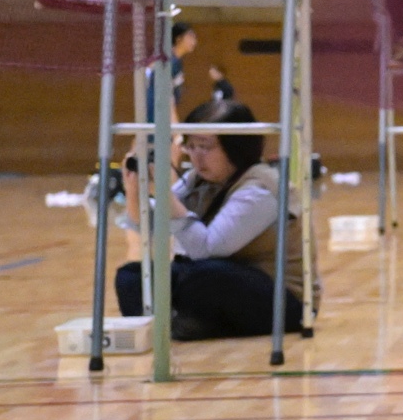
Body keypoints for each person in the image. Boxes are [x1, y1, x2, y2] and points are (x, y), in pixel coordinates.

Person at [112, 96, 302, 339]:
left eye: (205, 147)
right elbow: (149, 226)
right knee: (132, 276)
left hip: (280, 297)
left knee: (204, 275)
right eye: (190, 146)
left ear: (236, 147)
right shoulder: (199, 179)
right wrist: (133, 191)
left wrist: (164, 193)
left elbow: (206, 249)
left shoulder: (260, 189)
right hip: (221, 278)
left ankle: (188, 323)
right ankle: (171, 327)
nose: (196, 156)